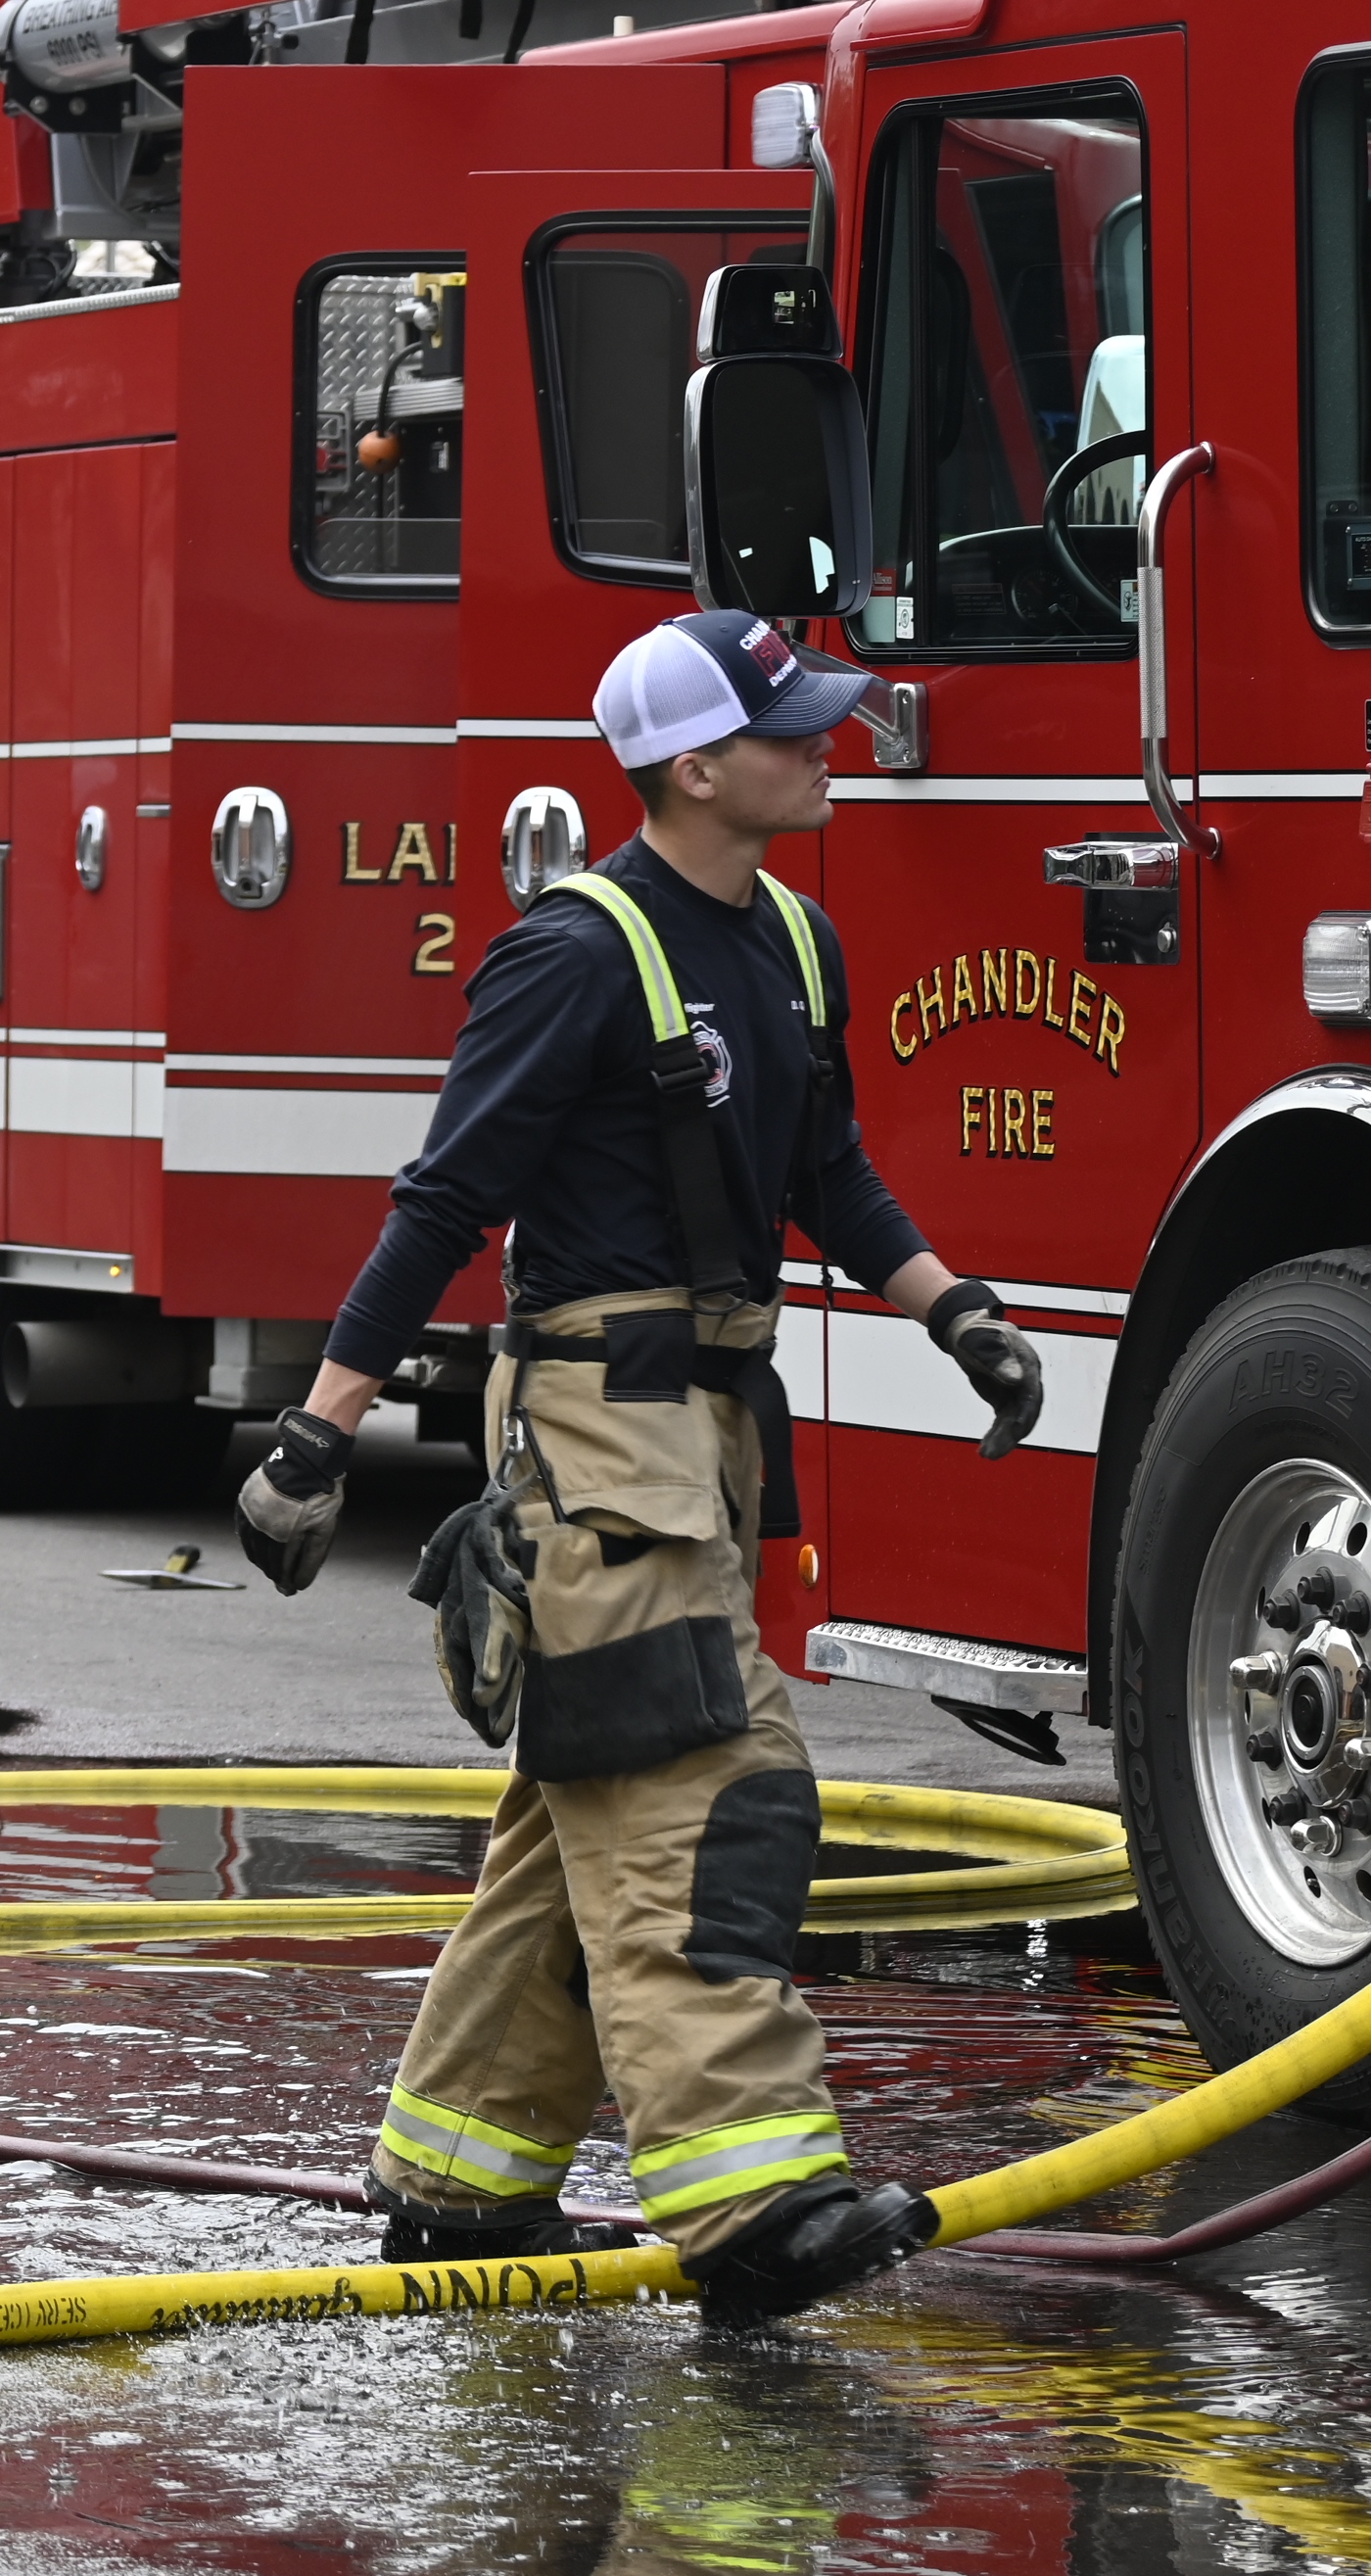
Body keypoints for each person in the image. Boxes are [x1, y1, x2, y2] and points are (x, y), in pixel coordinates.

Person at [234, 610, 1043, 2325]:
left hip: (713, 1433)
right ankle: (752, 2200)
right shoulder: (575, 955)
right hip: (602, 1432)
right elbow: (444, 1201)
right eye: (792, 726)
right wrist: (318, 1432)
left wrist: (953, 1311)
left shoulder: (797, 941)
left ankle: (455, 2183)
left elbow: (826, 1167)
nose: (827, 743)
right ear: (694, 768)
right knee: (705, 1784)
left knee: (587, 1801)